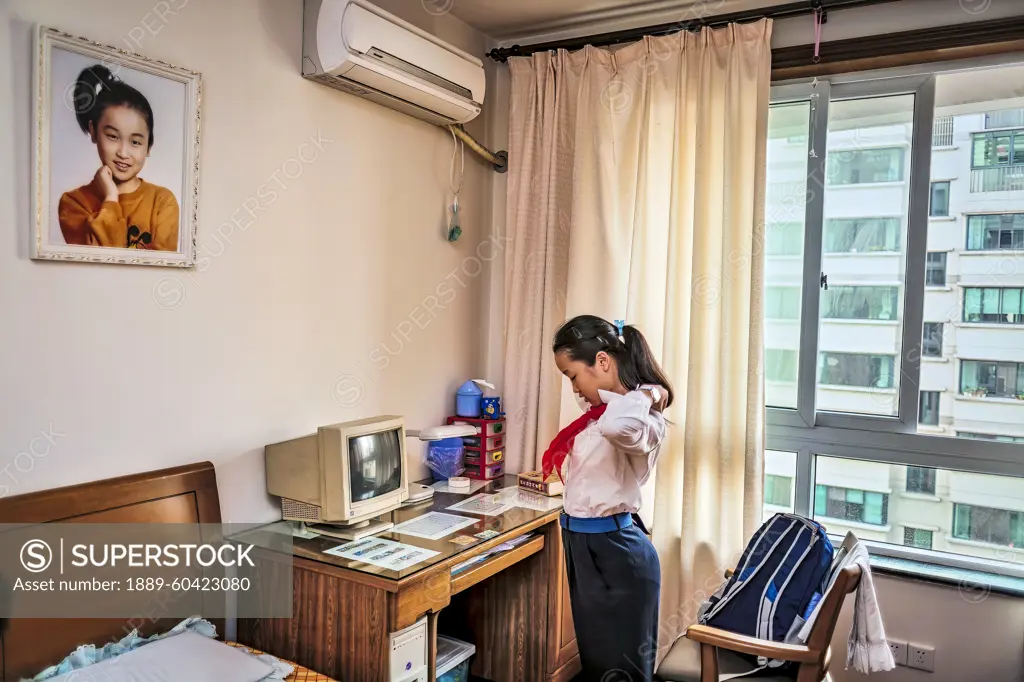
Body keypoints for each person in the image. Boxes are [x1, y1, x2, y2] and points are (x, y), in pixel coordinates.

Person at [543, 314, 672, 682]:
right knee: (598, 665)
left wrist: (646, 391)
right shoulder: (596, 417)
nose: (573, 388)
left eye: (572, 376)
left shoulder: (643, 419)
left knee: (624, 672)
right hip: (582, 546)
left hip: (618, 551)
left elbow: (619, 427)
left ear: (602, 362)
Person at [58, 64, 179, 251]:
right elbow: (102, 265)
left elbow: (160, 271)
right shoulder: (74, 203)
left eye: (136, 142)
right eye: (113, 136)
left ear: (149, 146)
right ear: (93, 131)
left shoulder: (162, 202)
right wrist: (111, 197)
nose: (123, 153)